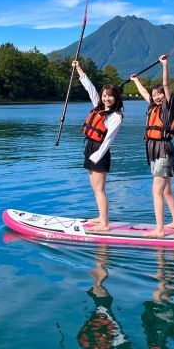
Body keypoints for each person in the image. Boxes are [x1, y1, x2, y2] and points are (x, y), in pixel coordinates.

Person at [130, 54, 174, 237]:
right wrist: (136, 81)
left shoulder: (169, 108)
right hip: (154, 152)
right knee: (166, 190)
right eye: (154, 94)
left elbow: (166, 85)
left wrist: (165, 65)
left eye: (159, 93)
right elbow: (145, 93)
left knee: (156, 192)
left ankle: (160, 229)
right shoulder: (153, 107)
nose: (156, 96)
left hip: (163, 151)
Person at [73, 59, 124, 233]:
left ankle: (105, 223)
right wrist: (78, 68)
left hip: (100, 151)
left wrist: (97, 155)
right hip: (90, 147)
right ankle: (101, 217)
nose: (106, 98)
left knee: (100, 189)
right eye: (104, 95)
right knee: (95, 188)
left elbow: (109, 139)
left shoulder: (116, 116)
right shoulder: (98, 106)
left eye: (110, 96)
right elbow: (89, 87)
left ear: (116, 98)